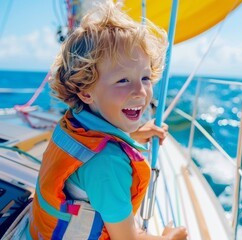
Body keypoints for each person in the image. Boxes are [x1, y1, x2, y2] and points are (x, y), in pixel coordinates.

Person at [27, 1, 187, 239]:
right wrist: (169, 238)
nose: (140, 92)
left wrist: (130, 136)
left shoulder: (74, 122)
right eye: (123, 80)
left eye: (145, 77)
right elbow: (127, 237)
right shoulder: (108, 164)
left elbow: (89, 150)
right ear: (86, 91)